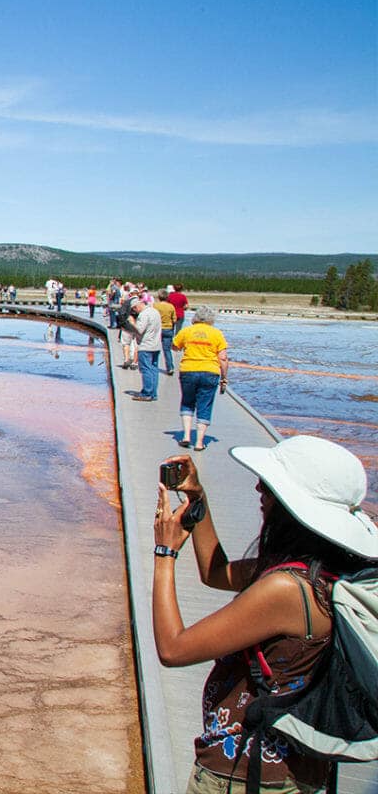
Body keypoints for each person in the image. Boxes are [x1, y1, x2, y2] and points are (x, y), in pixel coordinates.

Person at [152, 435, 378, 793]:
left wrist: (164, 551)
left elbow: (173, 649)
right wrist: (198, 500)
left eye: (270, 485)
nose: (258, 486)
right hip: (287, 769)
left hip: (244, 774)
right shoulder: (319, 569)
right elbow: (217, 573)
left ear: (292, 504)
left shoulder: (287, 590)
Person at [172, 305, 229, 450]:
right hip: (210, 372)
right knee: (205, 405)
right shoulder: (216, 333)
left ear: (196, 318)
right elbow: (223, 358)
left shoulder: (187, 331)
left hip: (188, 370)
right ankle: (199, 442)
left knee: (187, 402)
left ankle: (186, 436)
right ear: (211, 319)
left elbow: (174, 346)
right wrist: (224, 378)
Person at [129, 295, 163, 400]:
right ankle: (153, 393)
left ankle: (147, 393)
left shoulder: (143, 315)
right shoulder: (155, 311)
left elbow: (139, 330)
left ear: (136, 306)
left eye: (134, 309)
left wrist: (131, 323)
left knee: (146, 369)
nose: (135, 312)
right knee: (154, 369)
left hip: (146, 345)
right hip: (156, 345)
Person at [155, 289, 178, 375]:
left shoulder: (155, 306)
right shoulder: (171, 306)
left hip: (157, 329)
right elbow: (174, 319)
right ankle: (170, 367)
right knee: (167, 350)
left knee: (154, 348)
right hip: (168, 329)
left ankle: (153, 365)